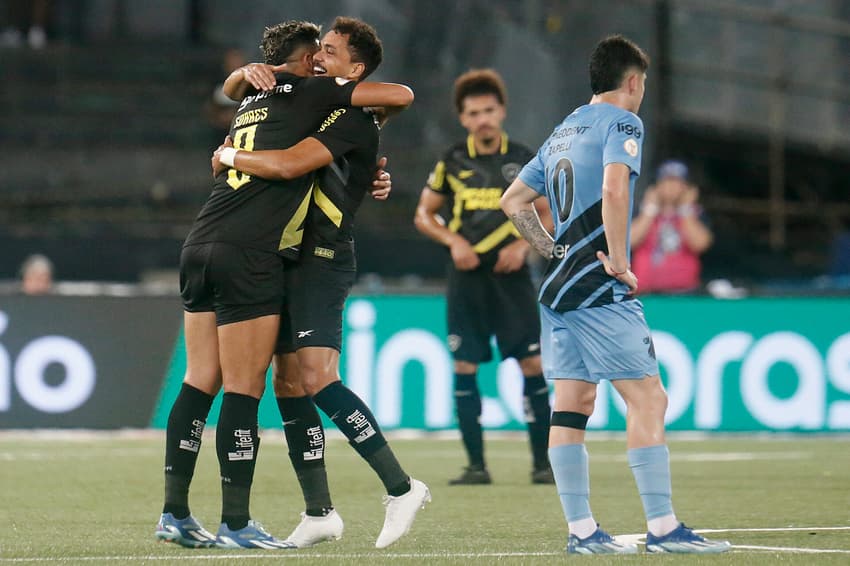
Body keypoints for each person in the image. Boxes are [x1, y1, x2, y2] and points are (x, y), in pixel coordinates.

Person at [155, 20, 413, 550]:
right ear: (299, 63)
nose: (321, 60)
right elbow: (394, 98)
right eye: (318, 52)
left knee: (201, 377)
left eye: (331, 53)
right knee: (246, 388)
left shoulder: (254, 99)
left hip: (199, 241)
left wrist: (237, 87)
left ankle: (175, 514)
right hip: (251, 252)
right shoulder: (308, 91)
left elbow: (325, 146)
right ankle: (235, 524)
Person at [500, 35, 731, 554]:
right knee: (649, 396)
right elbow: (614, 187)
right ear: (632, 81)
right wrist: (620, 262)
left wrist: (550, 251)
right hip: (599, 285)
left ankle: (582, 533)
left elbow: (513, 200)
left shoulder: (564, 129)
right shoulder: (622, 122)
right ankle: (664, 529)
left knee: (573, 403)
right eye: (643, 84)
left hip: (557, 288)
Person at [414, 69, 554, 486]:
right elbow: (424, 214)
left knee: (531, 362)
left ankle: (542, 466)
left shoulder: (526, 158)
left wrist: (523, 247)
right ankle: (476, 466)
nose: (483, 119)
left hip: (511, 278)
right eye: (474, 113)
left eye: (489, 110)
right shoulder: (452, 160)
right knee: (464, 364)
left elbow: (547, 213)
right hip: (467, 277)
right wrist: (453, 241)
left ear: (502, 111)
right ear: (463, 118)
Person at [630, 159, 713, 293]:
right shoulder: (641, 210)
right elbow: (629, 242)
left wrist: (685, 210)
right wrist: (650, 210)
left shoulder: (695, 213)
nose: (671, 187)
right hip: (645, 291)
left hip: (684, 292)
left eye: (677, 182)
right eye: (667, 181)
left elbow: (700, 244)